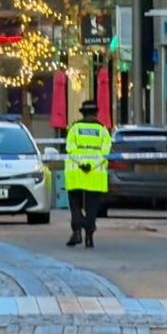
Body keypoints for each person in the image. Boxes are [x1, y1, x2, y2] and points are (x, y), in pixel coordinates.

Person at [64, 99, 110, 248]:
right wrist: (92, 165)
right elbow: (105, 152)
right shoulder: (103, 130)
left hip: (76, 172)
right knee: (92, 206)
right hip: (95, 174)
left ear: (82, 114)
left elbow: (70, 148)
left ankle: (77, 229)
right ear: (96, 114)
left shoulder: (74, 129)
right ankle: (89, 234)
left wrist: (81, 164)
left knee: (75, 204)